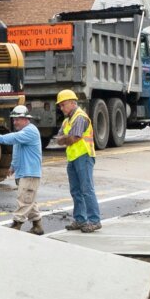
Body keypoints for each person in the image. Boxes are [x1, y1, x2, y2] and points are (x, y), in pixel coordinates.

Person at [51, 88, 101, 232]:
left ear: (73, 103)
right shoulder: (67, 121)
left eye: (63, 104)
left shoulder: (80, 117)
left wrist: (65, 138)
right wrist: (65, 139)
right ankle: (80, 219)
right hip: (73, 158)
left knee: (87, 190)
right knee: (76, 190)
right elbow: (59, 140)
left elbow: (74, 138)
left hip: (84, 156)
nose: (61, 108)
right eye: (60, 105)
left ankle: (94, 220)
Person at [0, 103, 43, 234]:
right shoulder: (21, 133)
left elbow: (14, 138)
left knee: (24, 200)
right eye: (14, 119)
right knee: (29, 200)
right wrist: (13, 167)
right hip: (24, 173)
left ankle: (17, 224)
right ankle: (37, 226)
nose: (15, 122)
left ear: (26, 119)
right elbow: (16, 153)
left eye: (17, 119)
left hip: (30, 173)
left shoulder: (30, 131)